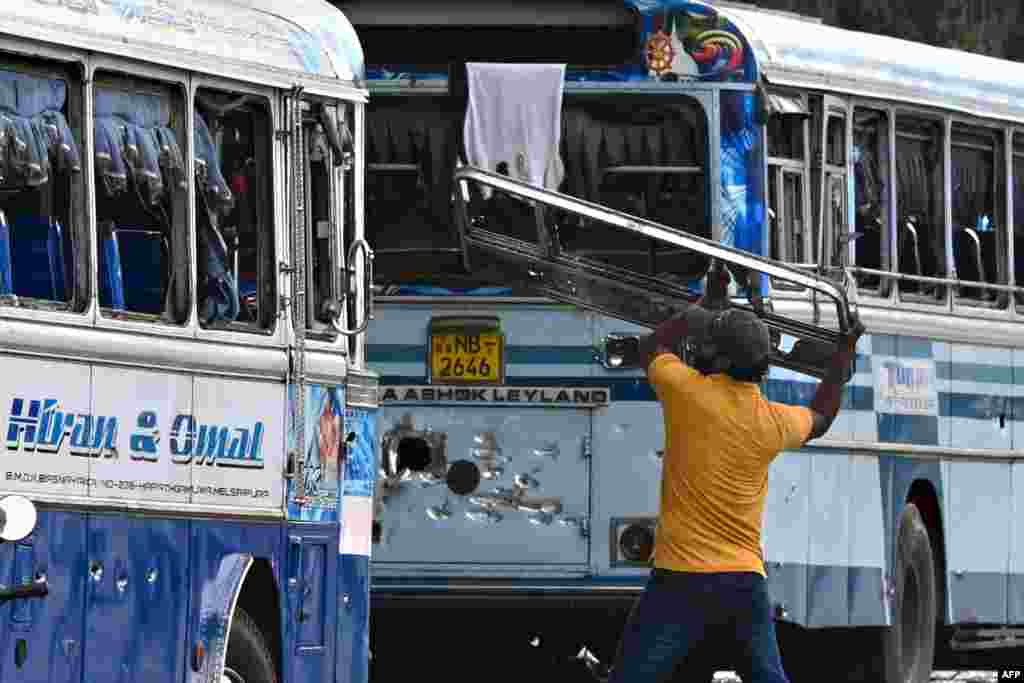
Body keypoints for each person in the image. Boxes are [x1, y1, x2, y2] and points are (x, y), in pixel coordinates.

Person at [607, 299, 864, 683]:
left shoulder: (687, 392)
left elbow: (649, 348)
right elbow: (821, 417)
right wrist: (843, 352)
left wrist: (693, 314)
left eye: (709, 343)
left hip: (680, 579)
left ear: (721, 359)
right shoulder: (771, 421)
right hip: (744, 582)